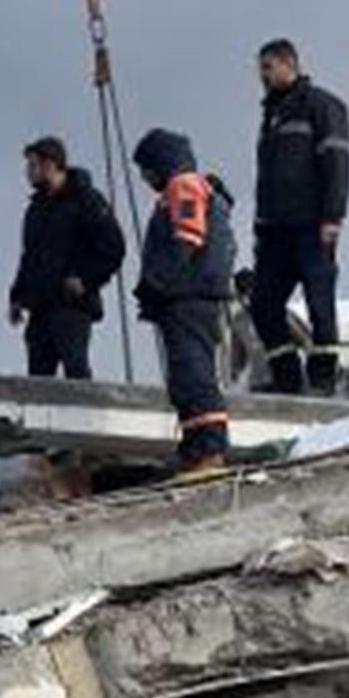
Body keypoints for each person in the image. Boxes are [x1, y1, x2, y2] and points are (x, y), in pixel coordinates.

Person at [252, 39, 349, 396]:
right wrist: (260, 229)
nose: (261, 76)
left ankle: (323, 379)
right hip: (276, 231)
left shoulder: (322, 106)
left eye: (267, 68)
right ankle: (287, 377)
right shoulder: (272, 115)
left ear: (287, 64)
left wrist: (332, 217)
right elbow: (267, 179)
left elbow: (337, 164)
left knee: (319, 303)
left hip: (312, 225)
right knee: (263, 303)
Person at [133, 129, 236, 474]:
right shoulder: (195, 189)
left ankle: (208, 451)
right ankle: (195, 449)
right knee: (186, 377)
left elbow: (187, 238)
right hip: (190, 298)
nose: (146, 178)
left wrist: (156, 283)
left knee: (194, 375)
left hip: (187, 298)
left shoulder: (183, 187)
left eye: (147, 169)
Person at [8, 137, 125, 379]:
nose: (27, 173)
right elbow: (29, 258)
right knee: (38, 382)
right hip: (40, 308)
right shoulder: (35, 210)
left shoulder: (86, 200)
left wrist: (85, 279)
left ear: (50, 165)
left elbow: (114, 248)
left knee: (76, 372)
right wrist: (17, 297)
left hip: (72, 306)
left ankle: (85, 417)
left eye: (32, 166)